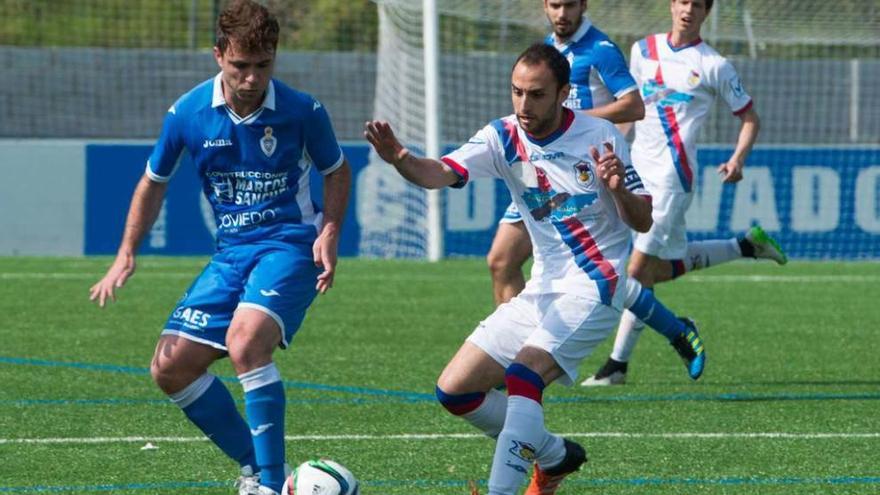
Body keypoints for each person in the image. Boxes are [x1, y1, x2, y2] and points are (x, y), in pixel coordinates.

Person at [366, 43, 703, 495]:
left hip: (594, 286)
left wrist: (618, 189)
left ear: (564, 93)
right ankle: (554, 454)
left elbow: (643, 218)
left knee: (523, 377)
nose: (524, 104)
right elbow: (437, 173)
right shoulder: (501, 136)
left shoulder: (600, 135)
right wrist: (400, 158)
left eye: (537, 94)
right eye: (517, 92)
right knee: (455, 390)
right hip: (542, 288)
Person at [88, 2, 351, 494]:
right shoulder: (187, 113)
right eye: (240, 66)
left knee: (246, 343)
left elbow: (336, 170)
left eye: (263, 65)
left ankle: (272, 488)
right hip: (230, 253)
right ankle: (259, 470)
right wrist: (127, 251)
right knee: (170, 367)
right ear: (218, 56)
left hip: (289, 244)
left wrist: (330, 229)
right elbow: (153, 181)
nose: (252, 78)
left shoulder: (302, 110)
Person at [582, 0, 786, 387]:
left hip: (673, 180)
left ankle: (619, 364)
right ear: (672, 5)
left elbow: (750, 118)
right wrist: (612, 153)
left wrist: (738, 160)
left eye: (697, 4)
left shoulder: (714, 65)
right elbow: (631, 111)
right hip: (636, 171)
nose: (688, 9)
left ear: (707, 11)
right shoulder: (643, 50)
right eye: (682, 1)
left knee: (636, 272)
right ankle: (743, 247)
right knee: (654, 269)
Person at [487, 0, 645, 306]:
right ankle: (516, 345)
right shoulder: (546, 49)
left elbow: (634, 106)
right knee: (501, 261)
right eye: (555, 5)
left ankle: (540, 348)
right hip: (539, 169)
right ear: (544, 6)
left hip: (580, 172)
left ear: (583, 5)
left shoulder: (600, 49)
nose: (562, 14)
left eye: (570, 5)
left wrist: (576, 121)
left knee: (592, 272)